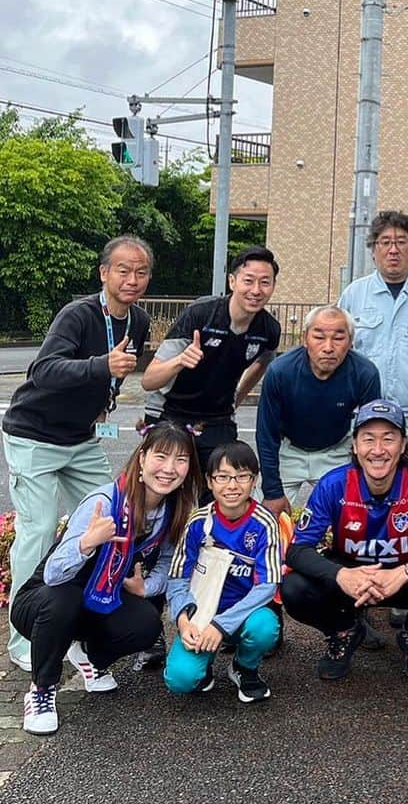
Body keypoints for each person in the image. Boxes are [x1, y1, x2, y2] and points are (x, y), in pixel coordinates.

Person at [2, 235, 154, 671]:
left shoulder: (139, 321)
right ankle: (25, 639)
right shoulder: (78, 314)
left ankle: (85, 625)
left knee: (114, 520)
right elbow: (43, 370)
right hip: (33, 435)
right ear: (103, 273)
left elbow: (115, 379)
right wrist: (100, 365)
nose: (132, 279)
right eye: (122, 270)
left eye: (141, 272)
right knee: (40, 528)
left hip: (81, 438)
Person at [11, 421, 199, 734]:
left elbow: (168, 563)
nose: (169, 469)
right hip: (45, 601)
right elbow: (53, 573)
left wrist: (146, 586)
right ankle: (42, 690)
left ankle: (87, 655)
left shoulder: (173, 511)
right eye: (161, 457)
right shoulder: (105, 502)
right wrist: (87, 543)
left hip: (100, 600)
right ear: (141, 458)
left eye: (180, 460)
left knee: (146, 622)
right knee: (64, 597)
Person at [281, 399, 408, 684]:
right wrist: (340, 575)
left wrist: (407, 572)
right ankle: (343, 630)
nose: (378, 450)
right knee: (293, 588)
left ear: (403, 444)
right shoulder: (334, 483)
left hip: (403, 576)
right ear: (355, 446)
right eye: (368, 439)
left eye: (388, 439)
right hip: (350, 578)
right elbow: (296, 550)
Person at [142, 246, 281, 477]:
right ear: (232, 281)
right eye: (249, 281)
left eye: (265, 282)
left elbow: (261, 363)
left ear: (273, 286)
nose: (256, 290)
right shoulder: (200, 314)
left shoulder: (269, 329)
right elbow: (148, 380)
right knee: (163, 486)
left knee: (225, 485)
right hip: (169, 412)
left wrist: (237, 398)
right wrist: (180, 361)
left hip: (218, 418)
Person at [165, 441, 282, 704]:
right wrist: (184, 621)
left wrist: (221, 625)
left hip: (245, 614)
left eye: (242, 477)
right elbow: (177, 579)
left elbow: (268, 585)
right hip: (203, 614)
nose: (232, 486)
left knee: (265, 627)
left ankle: (244, 667)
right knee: (180, 679)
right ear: (209, 481)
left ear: (255, 481)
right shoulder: (198, 522)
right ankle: (202, 668)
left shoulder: (264, 523)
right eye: (223, 477)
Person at [339, 210, 408, 468]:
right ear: (374, 249)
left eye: (401, 242)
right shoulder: (355, 294)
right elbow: (342, 351)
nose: (393, 250)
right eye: (385, 242)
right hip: (364, 415)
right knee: (363, 490)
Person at [256, 305, 381, 516]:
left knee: (354, 518)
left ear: (351, 342)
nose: (328, 347)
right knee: (263, 519)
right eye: (319, 337)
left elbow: (371, 433)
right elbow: (266, 434)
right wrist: (272, 491)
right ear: (305, 338)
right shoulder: (281, 371)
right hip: (288, 450)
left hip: (336, 450)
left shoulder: (365, 373)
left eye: (339, 338)